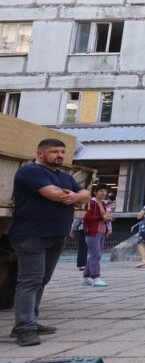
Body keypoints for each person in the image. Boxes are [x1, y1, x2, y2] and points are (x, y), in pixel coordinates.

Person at [8, 139, 91, 346]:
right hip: (31, 235)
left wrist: (75, 195)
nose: (60, 155)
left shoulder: (64, 176)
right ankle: (24, 328)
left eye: (63, 151)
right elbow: (52, 194)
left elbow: (87, 194)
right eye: (55, 151)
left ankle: (30, 321)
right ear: (41, 154)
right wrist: (75, 197)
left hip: (56, 235)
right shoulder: (30, 172)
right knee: (30, 280)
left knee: (42, 280)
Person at [82, 185, 113, 287]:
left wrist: (108, 226)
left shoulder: (103, 203)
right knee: (96, 255)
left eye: (105, 191)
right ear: (95, 192)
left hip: (102, 232)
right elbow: (86, 216)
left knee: (94, 255)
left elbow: (104, 217)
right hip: (92, 232)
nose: (103, 193)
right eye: (101, 191)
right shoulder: (91, 203)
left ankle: (87, 277)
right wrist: (101, 218)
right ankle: (95, 277)